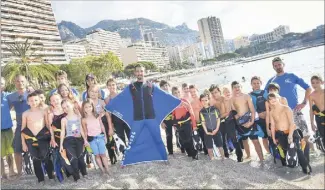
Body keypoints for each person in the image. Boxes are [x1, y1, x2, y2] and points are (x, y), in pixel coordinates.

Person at [265, 57, 312, 138]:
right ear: (273, 67)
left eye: (279, 64)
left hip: (295, 110)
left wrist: (304, 103)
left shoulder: (292, 76)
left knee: (305, 134)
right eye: (275, 65)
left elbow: (308, 88)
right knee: (291, 137)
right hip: (281, 113)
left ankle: (311, 150)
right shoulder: (271, 81)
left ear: (283, 65)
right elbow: (266, 96)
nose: (278, 67)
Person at [268, 92, 311, 174]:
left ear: (279, 98)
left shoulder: (286, 108)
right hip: (281, 134)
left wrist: (290, 135)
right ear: (269, 102)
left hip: (291, 132)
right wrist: (273, 138)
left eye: (274, 98)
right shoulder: (271, 112)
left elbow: (292, 123)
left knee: (297, 149)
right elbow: (273, 126)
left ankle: (306, 168)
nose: (272, 100)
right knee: (286, 149)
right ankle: (290, 167)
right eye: (270, 99)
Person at [21, 92, 54, 184]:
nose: (34, 102)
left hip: (43, 137)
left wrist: (52, 138)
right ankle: (40, 179)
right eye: (31, 100)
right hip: (31, 139)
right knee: (35, 159)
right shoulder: (25, 114)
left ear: (39, 100)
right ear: (28, 102)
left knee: (47, 157)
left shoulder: (43, 112)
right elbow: (23, 129)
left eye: (36, 100)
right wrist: (23, 143)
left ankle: (51, 176)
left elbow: (48, 125)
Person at [231, 81, 264, 161]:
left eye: (238, 86)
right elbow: (234, 113)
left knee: (255, 140)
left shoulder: (246, 96)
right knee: (244, 140)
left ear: (241, 87)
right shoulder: (231, 99)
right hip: (241, 123)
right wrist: (240, 123)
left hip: (250, 120)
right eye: (235, 87)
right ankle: (249, 157)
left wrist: (251, 121)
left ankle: (262, 159)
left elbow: (252, 110)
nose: (237, 88)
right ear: (232, 89)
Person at [7, 75, 30, 178]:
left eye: (22, 81)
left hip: (33, 125)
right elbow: (5, 109)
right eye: (17, 81)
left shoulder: (31, 93)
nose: (20, 83)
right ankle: (20, 172)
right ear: (14, 83)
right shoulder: (11, 97)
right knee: (17, 148)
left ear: (26, 82)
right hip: (20, 126)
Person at [60, 99, 88, 181]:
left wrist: (85, 140)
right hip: (69, 141)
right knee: (73, 159)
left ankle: (84, 173)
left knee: (80, 158)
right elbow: (62, 132)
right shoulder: (64, 119)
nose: (66, 109)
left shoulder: (78, 116)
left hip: (79, 139)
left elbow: (81, 129)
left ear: (72, 105)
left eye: (67, 106)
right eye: (64, 108)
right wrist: (61, 145)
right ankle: (77, 177)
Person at [81, 99, 110, 175]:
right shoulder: (84, 120)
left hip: (100, 137)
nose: (88, 109)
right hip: (92, 139)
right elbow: (85, 131)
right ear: (83, 109)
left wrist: (105, 136)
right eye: (86, 107)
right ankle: (102, 170)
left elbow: (102, 126)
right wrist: (85, 140)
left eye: (90, 106)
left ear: (92, 107)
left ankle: (107, 169)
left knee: (103, 154)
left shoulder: (97, 115)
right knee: (97, 155)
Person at [171, 86, 198, 159]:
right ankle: (189, 152)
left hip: (187, 123)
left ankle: (194, 154)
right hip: (179, 125)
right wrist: (174, 127)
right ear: (172, 94)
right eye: (175, 93)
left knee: (189, 139)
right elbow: (173, 115)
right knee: (183, 140)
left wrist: (194, 125)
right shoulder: (172, 103)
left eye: (178, 92)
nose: (177, 94)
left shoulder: (185, 101)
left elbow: (191, 112)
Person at [199, 94, 225, 160]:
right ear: (200, 101)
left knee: (220, 145)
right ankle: (212, 158)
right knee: (209, 147)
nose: (204, 102)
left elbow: (218, 119)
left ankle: (223, 158)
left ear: (208, 100)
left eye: (206, 100)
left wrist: (216, 129)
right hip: (207, 131)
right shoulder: (201, 112)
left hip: (216, 129)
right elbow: (203, 122)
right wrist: (206, 131)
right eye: (202, 100)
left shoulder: (214, 109)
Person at [250, 76, 270, 153]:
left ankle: (275, 151)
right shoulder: (249, 95)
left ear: (261, 83)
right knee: (264, 137)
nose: (256, 85)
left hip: (269, 116)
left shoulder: (265, 92)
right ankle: (269, 153)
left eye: (258, 83)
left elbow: (271, 103)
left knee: (271, 136)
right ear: (251, 85)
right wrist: (258, 114)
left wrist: (267, 113)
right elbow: (250, 109)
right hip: (259, 119)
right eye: (254, 83)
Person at [1, 77, 16, 179]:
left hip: (7, 128)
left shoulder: (8, 96)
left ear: (4, 85)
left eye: (1, 83)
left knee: (11, 151)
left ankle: (12, 172)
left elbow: (20, 95)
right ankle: (2, 173)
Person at [209, 84, 230, 157]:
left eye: (215, 92)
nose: (214, 94)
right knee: (223, 140)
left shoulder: (225, 99)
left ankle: (240, 157)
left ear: (219, 92)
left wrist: (217, 117)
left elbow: (227, 112)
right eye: (212, 93)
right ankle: (227, 156)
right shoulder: (212, 102)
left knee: (234, 139)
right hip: (220, 122)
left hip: (228, 120)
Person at [104, 78, 127, 143]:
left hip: (125, 119)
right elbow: (109, 114)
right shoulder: (107, 99)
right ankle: (124, 153)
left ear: (116, 85)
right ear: (107, 87)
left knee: (131, 139)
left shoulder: (122, 95)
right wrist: (111, 126)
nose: (112, 87)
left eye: (113, 85)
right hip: (116, 121)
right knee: (121, 141)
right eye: (109, 85)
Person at [189, 84, 207, 155]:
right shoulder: (190, 102)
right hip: (196, 123)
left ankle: (207, 151)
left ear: (197, 90)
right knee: (197, 138)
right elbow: (191, 114)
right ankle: (200, 149)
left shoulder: (201, 99)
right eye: (191, 92)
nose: (193, 93)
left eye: (194, 91)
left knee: (205, 137)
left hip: (204, 122)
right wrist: (193, 124)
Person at [160, 80, 175, 155]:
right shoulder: (159, 98)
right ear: (161, 88)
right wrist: (161, 122)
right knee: (169, 136)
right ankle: (170, 151)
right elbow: (158, 112)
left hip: (174, 118)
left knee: (179, 133)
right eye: (163, 86)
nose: (165, 87)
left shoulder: (171, 95)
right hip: (166, 120)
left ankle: (182, 147)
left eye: (166, 85)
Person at [309, 75, 324, 144]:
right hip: (320, 118)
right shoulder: (311, 95)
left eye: (317, 82)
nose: (314, 85)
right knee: (323, 137)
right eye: (313, 83)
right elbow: (311, 110)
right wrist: (312, 123)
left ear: (321, 82)